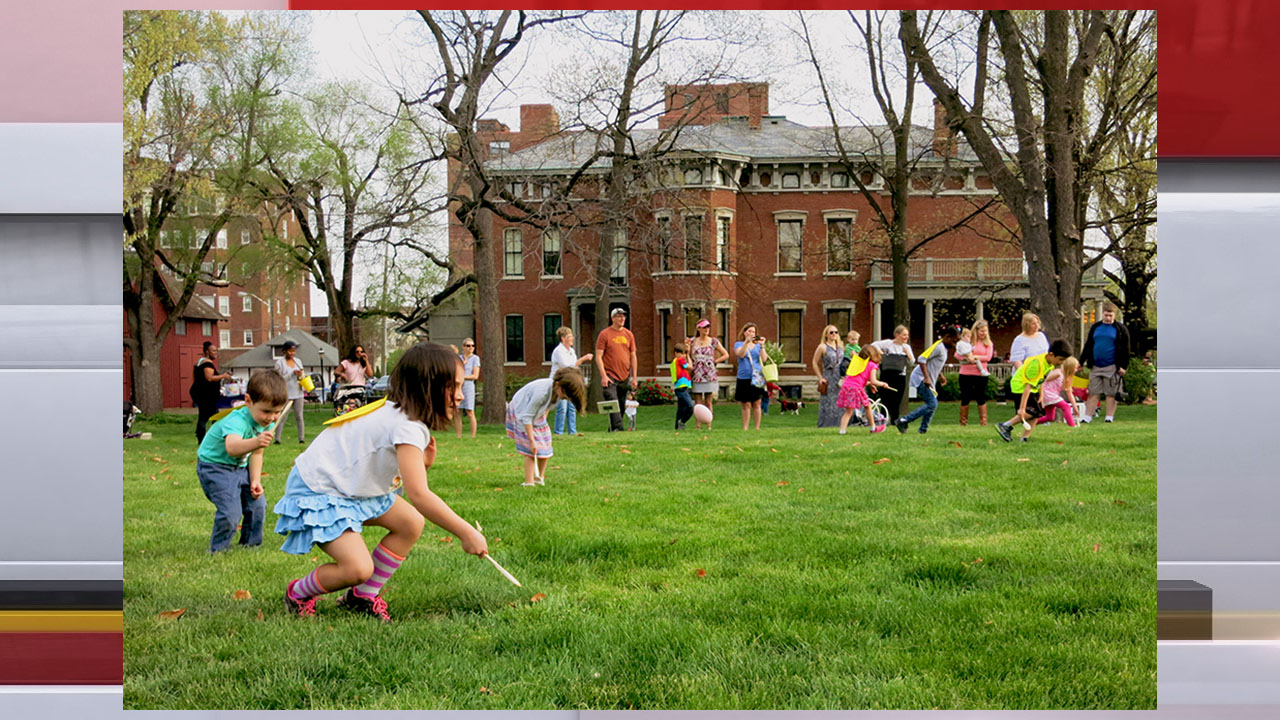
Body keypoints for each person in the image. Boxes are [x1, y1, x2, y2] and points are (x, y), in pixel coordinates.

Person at [275, 343, 489, 621]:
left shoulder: (401, 416)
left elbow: (374, 456)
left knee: (410, 523)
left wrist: (422, 464)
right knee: (356, 568)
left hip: (352, 489)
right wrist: (466, 533)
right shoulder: (407, 426)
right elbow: (420, 495)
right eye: (454, 387)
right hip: (321, 490)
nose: (460, 396)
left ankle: (362, 596)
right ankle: (297, 594)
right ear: (428, 386)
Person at [196, 371, 287, 553]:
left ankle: (251, 546)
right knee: (231, 512)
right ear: (248, 401)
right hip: (215, 467)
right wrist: (256, 441)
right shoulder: (236, 421)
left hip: (240, 466)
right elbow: (233, 447)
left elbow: (257, 454)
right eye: (266, 411)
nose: (271, 418)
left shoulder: (266, 423)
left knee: (258, 505)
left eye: (277, 412)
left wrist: (255, 480)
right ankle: (218, 550)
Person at [506, 368, 588, 487]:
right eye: (565, 395)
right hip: (521, 411)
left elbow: (546, 408)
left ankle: (540, 478)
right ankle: (529, 482)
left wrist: (541, 423)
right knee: (530, 450)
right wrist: (532, 440)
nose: (565, 398)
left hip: (536, 414)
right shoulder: (542, 392)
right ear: (557, 385)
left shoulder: (557, 392)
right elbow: (527, 416)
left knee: (545, 445)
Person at [996, 339, 1073, 443]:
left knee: (1039, 412)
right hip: (1020, 387)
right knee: (1030, 412)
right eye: (1060, 359)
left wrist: (1041, 395)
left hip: (1032, 388)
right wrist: (1022, 409)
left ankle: (1024, 438)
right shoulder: (1037, 364)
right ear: (1051, 354)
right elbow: (1028, 386)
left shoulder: (1049, 364)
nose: (1061, 362)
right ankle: (1005, 425)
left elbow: (1042, 380)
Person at [896, 326, 961, 435]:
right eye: (954, 341)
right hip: (920, 378)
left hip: (927, 379)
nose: (955, 345)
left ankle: (922, 430)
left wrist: (940, 375)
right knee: (932, 404)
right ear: (947, 337)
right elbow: (922, 359)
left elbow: (932, 362)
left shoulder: (943, 348)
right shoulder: (938, 347)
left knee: (932, 404)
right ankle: (904, 420)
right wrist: (926, 377)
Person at [1079, 303, 1131, 424]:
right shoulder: (1095, 327)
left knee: (1111, 393)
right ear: (1102, 314)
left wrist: (1123, 366)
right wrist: (1081, 361)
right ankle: (1087, 417)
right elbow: (1088, 345)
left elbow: (1126, 349)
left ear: (1114, 315)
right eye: (1106, 315)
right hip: (1096, 365)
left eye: (1110, 315)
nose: (1108, 318)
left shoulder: (1120, 329)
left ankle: (1109, 417)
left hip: (1112, 366)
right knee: (1093, 392)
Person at [595, 308, 638, 432]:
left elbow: (633, 356)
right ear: (612, 318)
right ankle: (619, 428)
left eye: (624, 316)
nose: (622, 319)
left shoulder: (628, 334)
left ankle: (613, 428)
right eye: (619, 316)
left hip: (624, 375)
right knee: (612, 399)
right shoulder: (605, 334)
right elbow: (598, 356)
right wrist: (603, 375)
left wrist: (634, 377)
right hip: (610, 374)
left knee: (620, 403)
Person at [837, 344, 891, 435]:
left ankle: (842, 431)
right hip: (857, 388)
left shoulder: (858, 363)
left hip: (847, 386)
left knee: (848, 411)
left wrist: (869, 384)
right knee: (868, 406)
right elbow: (874, 380)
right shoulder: (872, 365)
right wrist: (883, 384)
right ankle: (873, 428)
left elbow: (858, 379)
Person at [687, 319, 729, 430]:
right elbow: (687, 355)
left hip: (709, 375)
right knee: (698, 402)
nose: (707, 329)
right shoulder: (692, 341)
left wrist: (716, 361)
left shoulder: (713, 341)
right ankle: (698, 425)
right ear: (698, 328)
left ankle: (709, 425)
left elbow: (726, 354)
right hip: (697, 375)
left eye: (708, 327)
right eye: (704, 327)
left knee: (709, 401)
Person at [550, 327, 593, 436]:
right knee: (562, 408)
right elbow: (567, 367)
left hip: (569, 382)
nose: (572, 338)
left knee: (571, 407)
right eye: (570, 337)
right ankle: (558, 432)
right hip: (560, 383)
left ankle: (572, 432)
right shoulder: (558, 351)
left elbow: (573, 366)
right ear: (563, 338)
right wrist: (583, 359)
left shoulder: (571, 351)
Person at [191, 341, 233, 444]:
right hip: (206, 396)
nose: (216, 353)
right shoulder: (208, 363)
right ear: (206, 352)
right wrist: (223, 376)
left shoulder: (199, 362)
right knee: (209, 417)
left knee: (207, 416)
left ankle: (204, 437)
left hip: (200, 393)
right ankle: (208, 438)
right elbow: (209, 378)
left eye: (216, 351)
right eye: (213, 351)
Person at [870, 326, 914, 424]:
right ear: (897, 335)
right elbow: (873, 345)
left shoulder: (906, 347)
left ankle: (894, 420)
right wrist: (881, 352)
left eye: (907, 335)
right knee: (885, 398)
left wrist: (908, 354)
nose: (906, 337)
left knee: (897, 399)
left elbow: (911, 363)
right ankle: (883, 419)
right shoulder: (888, 344)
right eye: (904, 335)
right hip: (887, 375)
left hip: (900, 376)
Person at [958, 320, 995, 426]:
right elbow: (957, 354)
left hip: (981, 374)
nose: (984, 333)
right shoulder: (967, 341)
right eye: (981, 331)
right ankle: (963, 422)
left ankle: (983, 422)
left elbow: (988, 357)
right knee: (965, 397)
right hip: (965, 373)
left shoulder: (988, 343)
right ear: (976, 330)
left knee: (981, 397)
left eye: (985, 331)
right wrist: (966, 358)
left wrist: (974, 357)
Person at [733, 322, 766, 430]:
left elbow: (764, 359)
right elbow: (741, 354)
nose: (751, 333)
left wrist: (762, 346)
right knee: (746, 404)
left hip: (756, 377)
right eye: (749, 331)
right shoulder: (738, 344)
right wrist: (746, 342)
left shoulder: (757, 346)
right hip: (744, 377)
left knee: (757, 403)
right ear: (744, 332)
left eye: (753, 332)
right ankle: (745, 428)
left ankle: (757, 428)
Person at [273, 340, 307, 444]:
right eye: (290, 351)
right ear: (284, 351)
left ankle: (301, 438)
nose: (292, 353)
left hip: (298, 393)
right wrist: (292, 374)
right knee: (282, 416)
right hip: (286, 393)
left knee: (299, 416)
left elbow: (303, 375)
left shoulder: (298, 361)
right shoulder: (280, 363)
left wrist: (301, 375)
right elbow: (279, 379)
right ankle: (277, 439)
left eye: (294, 351)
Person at [812, 325, 846, 428]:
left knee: (841, 400)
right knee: (828, 401)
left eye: (836, 332)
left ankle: (841, 423)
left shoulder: (840, 346)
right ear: (826, 334)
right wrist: (820, 378)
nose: (834, 334)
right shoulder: (822, 347)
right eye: (831, 332)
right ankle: (826, 424)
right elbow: (814, 362)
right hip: (829, 376)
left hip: (840, 377)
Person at [1037, 356, 1081, 427]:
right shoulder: (1058, 373)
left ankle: (1033, 423)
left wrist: (1075, 406)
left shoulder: (1066, 377)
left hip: (1052, 395)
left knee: (1050, 417)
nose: (1076, 370)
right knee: (1066, 407)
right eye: (1075, 368)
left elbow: (1069, 392)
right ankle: (1072, 425)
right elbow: (1043, 381)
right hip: (1047, 393)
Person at [455, 339, 481, 439]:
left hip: (468, 386)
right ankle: (458, 436)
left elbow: (475, 376)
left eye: (472, 346)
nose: (471, 348)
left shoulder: (475, 359)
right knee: (457, 411)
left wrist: (462, 377)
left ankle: (473, 436)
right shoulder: (458, 358)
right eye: (468, 346)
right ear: (463, 347)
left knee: (470, 411)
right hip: (458, 386)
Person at [670, 343, 695, 430]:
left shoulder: (675, 361)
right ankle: (683, 421)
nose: (683, 355)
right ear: (676, 353)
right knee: (690, 406)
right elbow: (691, 367)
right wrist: (688, 356)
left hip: (681, 388)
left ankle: (677, 426)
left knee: (680, 409)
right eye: (682, 353)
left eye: (684, 353)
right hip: (682, 388)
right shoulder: (679, 360)